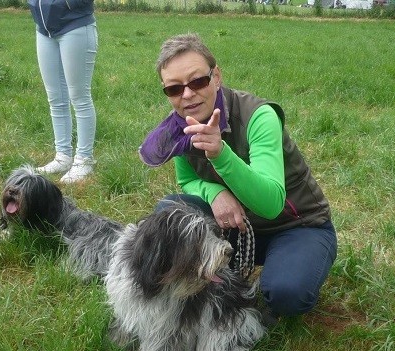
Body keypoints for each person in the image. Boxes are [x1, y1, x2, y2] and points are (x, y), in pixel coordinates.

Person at [139, 33, 337, 324]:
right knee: (169, 211)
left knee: (287, 292)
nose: (187, 95)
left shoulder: (259, 116)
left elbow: (270, 203)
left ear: (216, 76)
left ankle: (283, 266)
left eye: (197, 82)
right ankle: (212, 276)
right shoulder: (178, 127)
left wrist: (220, 154)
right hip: (234, 226)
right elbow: (188, 181)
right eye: (174, 89)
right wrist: (216, 194)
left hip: (295, 225)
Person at [27, 0, 98, 183]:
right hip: (43, 29)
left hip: (75, 25)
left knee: (80, 98)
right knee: (55, 98)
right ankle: (63, 157)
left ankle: (84, 160)